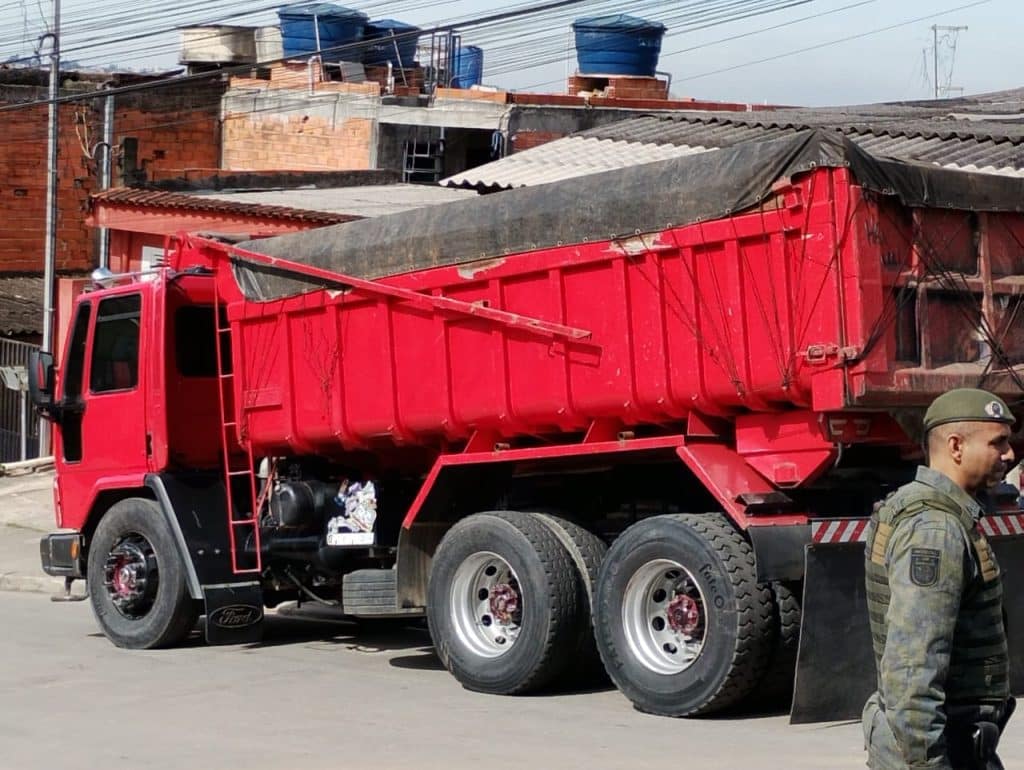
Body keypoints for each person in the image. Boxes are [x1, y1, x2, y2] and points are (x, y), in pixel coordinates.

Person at [862, 388, 1017, 770]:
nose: (1009, 454)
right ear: (955, 446)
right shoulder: (935, 529)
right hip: (938, 748)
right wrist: (929, 763)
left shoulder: (933, 511)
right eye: (998, 443)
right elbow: (913, 669)